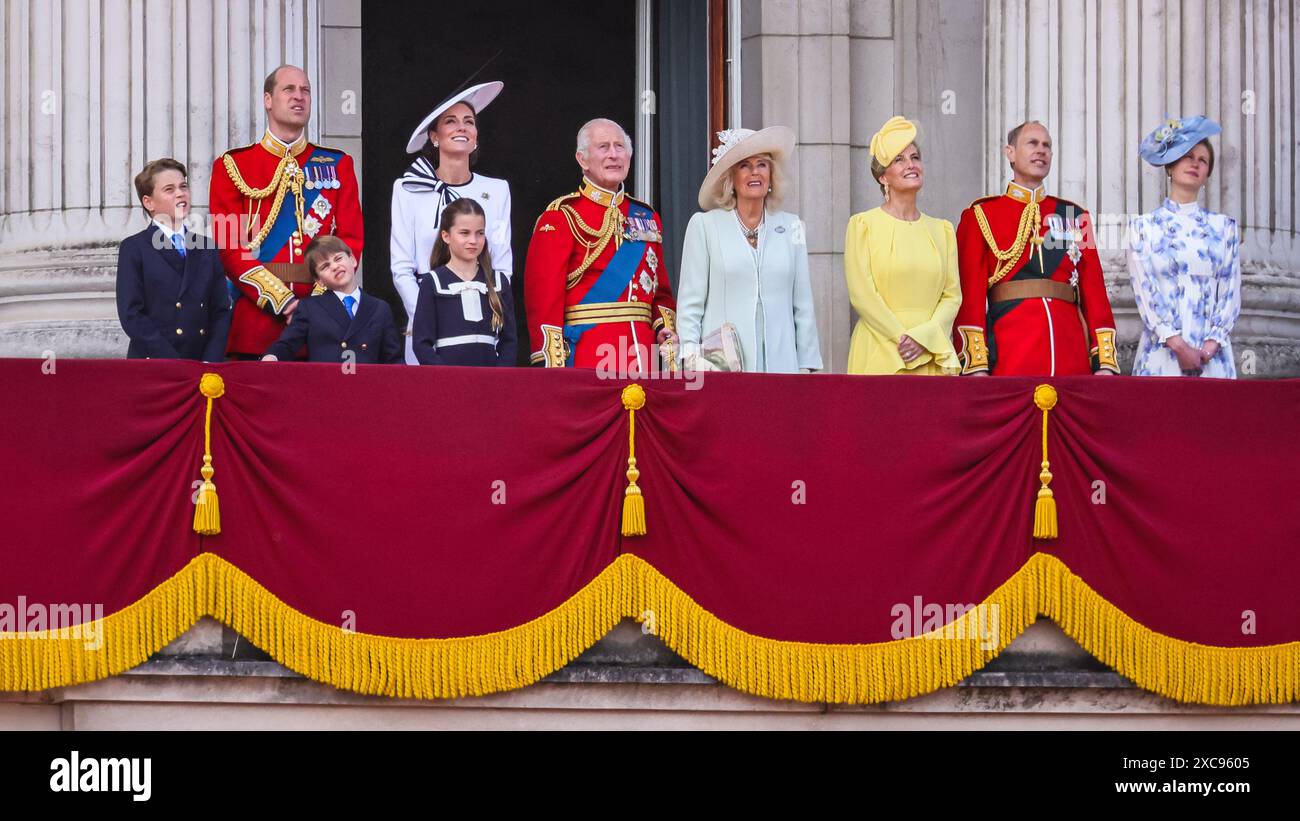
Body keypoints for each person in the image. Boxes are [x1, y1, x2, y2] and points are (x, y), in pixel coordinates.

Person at [210, 64, 364, 359]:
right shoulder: (233, 166)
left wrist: (315, 304)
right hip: (257, 323)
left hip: (324, 323)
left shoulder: (337, 164)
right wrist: (284, 301)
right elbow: (230, 248)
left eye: (305, 90)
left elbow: (351, 241)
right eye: (289, 90)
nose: (299, 97)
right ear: (268, 100)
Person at [953, 121, 1119, 376]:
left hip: (1071, 355)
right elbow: (970, 297)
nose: (1041, 150)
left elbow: (1094, 292)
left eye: (1047, 146)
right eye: (1032, 143)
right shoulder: (980, 215)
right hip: (1011, 355)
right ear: (1010, 152)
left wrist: (1104, 363)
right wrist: (977, 365)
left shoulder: (1074, 216)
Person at [524, 118, 678, 372]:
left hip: (644, 356)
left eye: (620, 147)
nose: (614, 155)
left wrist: (664, 328)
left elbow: (660, 291)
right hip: (587, 356)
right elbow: (543, 299)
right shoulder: (561, 217)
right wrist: (551, 363)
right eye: (603, 147)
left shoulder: (647, 217)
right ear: (582, 160)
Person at [675, 126, 822, 373]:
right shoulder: (705, 225)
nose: (755, 172)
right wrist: (691, 357)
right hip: (722, 368)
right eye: (744, 165)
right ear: (730, 178)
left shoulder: (793, 226)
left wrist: (807, 367)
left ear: (772, 175)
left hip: (782, 368)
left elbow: (803, 304)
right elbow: (691, 303)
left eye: (762, 164)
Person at [392, 81, 512, 365]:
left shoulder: (497, 190)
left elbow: (502, 265)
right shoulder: (408, 188)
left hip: (481, 326)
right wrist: (428, 317)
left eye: (469, 122)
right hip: (425, 327)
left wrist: (486, 314)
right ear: (434, 136)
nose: (462, 127)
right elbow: (401, 268)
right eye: (451, 121)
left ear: (476, 136)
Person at [843, 116, 961, 375]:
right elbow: (862, 295)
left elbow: (952, 296)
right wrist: (902, 338)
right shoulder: (862, 225)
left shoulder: (943, 230)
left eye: (915, 157)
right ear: (883, 177)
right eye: (899, 159)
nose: (911, 165)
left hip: (930, 352)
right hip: (880, 349)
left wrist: (924, 338)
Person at [1128, 116, 1240, 378]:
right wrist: (1177, 344)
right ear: (1170, 167)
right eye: (1187, 156)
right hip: (1162, 352)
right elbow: (1145, 291)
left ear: (1207, 174)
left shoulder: (1224, 228)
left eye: (1203, 160)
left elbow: (1230, 291)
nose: (1195, 163)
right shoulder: (1143, 227)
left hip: (1212, 357)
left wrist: (1210, 346)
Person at [116, 159, 232, 361]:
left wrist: (210, 360)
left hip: (201, 364)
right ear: (148, 202)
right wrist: (173, 362)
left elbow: (220, 311)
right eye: (169, 189)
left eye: (183, 186)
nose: (180, 193)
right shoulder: (134, 248)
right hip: (155, 364)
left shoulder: (207, 247)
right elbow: (131, 315)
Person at [262, 236, 401, 364]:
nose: (334, 267)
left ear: (352, 260)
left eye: (338, 259)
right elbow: (288, 344)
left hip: (368, 386)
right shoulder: (309, 308)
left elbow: (393, 359)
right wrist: (273, 356)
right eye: (325, 266)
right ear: (319, 281)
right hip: (327, 386)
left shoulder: (380, 308)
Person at [412, 198, 516, 366]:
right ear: (446, 236)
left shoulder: (498, 281)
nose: (473, 240)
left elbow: (509, 342)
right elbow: (421, 343)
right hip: (448, 383)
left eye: (480, 233)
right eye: (464, 233)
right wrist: (446, 377)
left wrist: (499, 378)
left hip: (490, 382)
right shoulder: (432, 282)